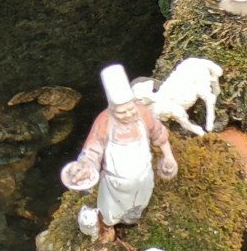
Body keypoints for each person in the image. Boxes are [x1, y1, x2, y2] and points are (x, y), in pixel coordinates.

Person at [61, 64, 177, 242]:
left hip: (143, 177)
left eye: (130, 108)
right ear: (113, 108)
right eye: (122, 112)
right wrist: (85, 168)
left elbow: (159, 134)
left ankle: (132, 217)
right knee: (110, 210)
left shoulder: (143, 113)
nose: (128, 114)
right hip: (115, 183)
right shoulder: (104, 122)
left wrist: (168, 156)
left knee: (138, 205)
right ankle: (108, 225)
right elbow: (92, 151)